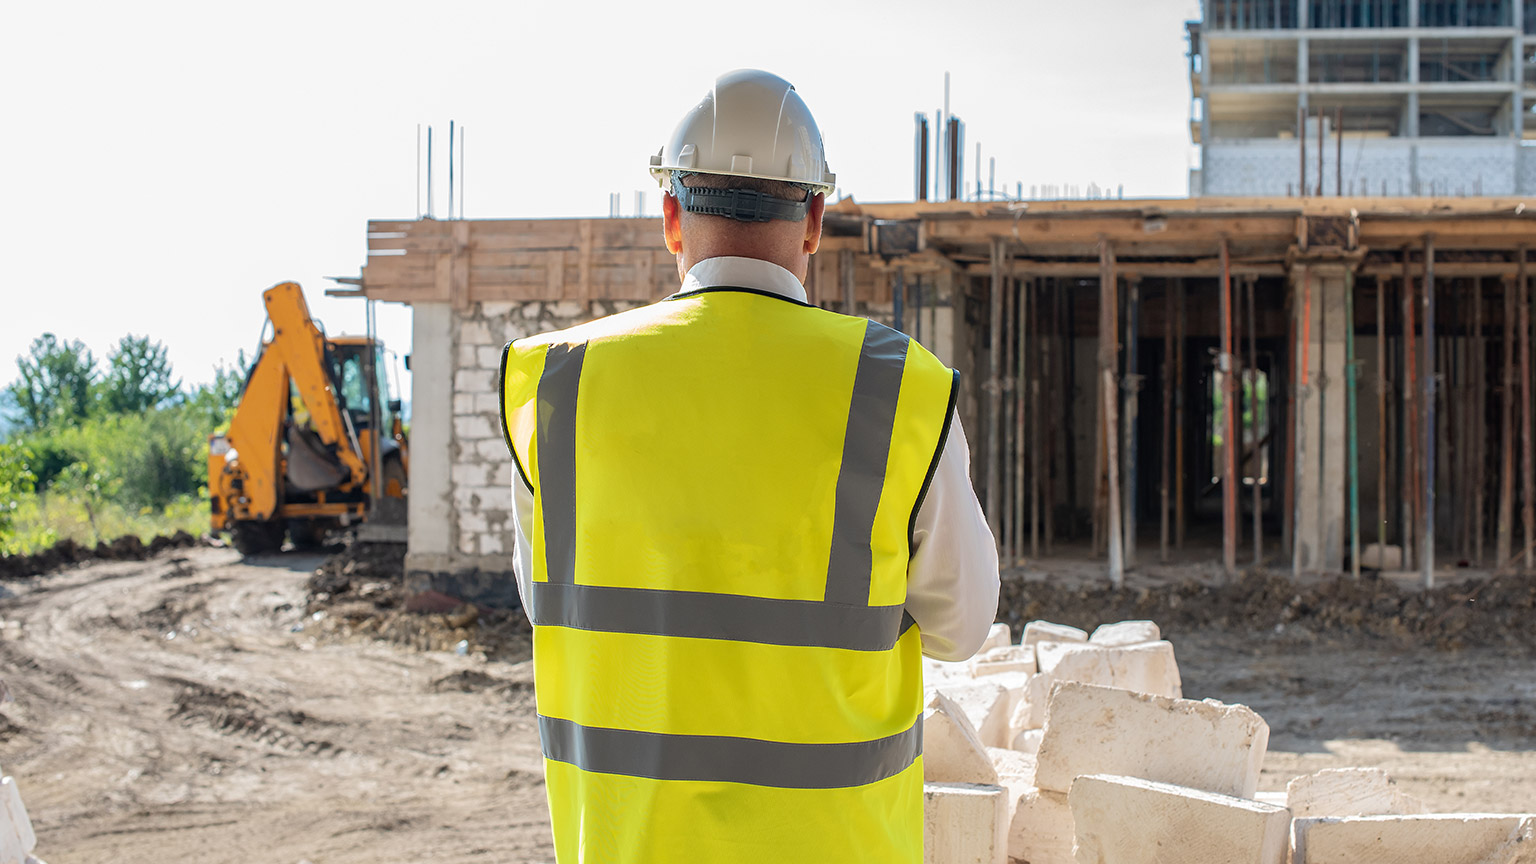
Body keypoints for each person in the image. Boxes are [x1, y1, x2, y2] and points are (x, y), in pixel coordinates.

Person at [499, 68, 999, 864]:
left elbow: (550, 601)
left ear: (670, 215)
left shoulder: (558, 383)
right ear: (815, 221)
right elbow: (963, 628)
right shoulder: (896, 388)